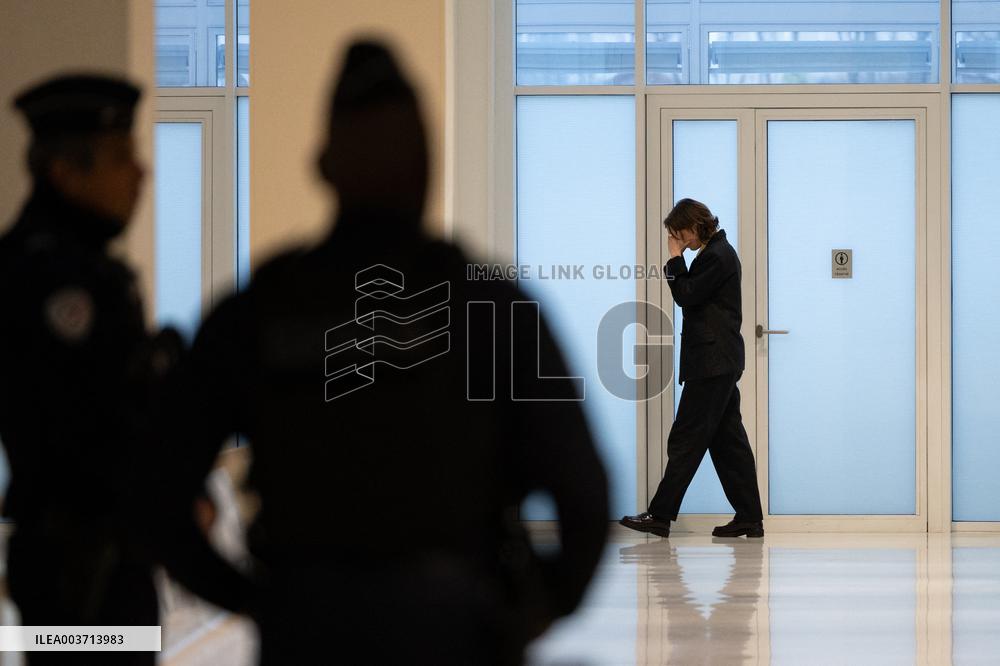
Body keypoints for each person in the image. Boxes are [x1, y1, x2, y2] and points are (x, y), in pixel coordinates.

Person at [167, 41, 609, 665]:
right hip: (456, 628)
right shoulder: (492, 307)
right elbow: (584, 495)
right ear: (428, 166)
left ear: (323, 166)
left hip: (307, 631)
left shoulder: (260, 310)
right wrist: (531, 613)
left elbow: (156, 490)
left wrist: (256, 599)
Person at [0, 74, 254, 664]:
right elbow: (85, 426)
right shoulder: (53, 282)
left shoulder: (88, 271)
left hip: (103, 556)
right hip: (82, 566)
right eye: (121, 158)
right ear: (64, 172)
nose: (142, 173)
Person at [620, 199, 763, 539]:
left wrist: (673, 258)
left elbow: (685, 294)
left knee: (686, 438)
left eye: (679, 233)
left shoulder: (717, 255)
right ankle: (749, 518)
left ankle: (660, 515)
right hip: (719, 362)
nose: (678, 240)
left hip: (712, 364)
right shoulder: (716, 252)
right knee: (729, 442)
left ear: (695, 224)